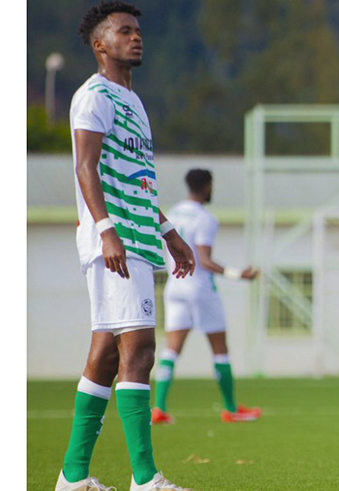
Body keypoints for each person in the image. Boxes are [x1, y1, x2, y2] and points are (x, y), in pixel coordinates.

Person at [55, 2, 198, 490]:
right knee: (139, 349)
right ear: (100, 45)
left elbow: (137, 181)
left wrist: (169, 232)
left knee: (107, 355)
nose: (136, 38)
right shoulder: (93, 96)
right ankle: (145, 480)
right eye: (124, 32)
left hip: (138, 239)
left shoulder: (133, 102)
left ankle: (73, 478)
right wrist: (107, 229)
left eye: (137, 31)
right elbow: (85, 167)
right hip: (115, 243)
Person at [151, 169, 262, 425]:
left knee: (171, 350)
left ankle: (159, 407)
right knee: (220, 350)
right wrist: (237, 274)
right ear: (208, 186)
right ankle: (231, 408)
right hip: (200, 288)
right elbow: (204, 260)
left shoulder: (173, 212)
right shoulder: (206, 218)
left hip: (174, 287)